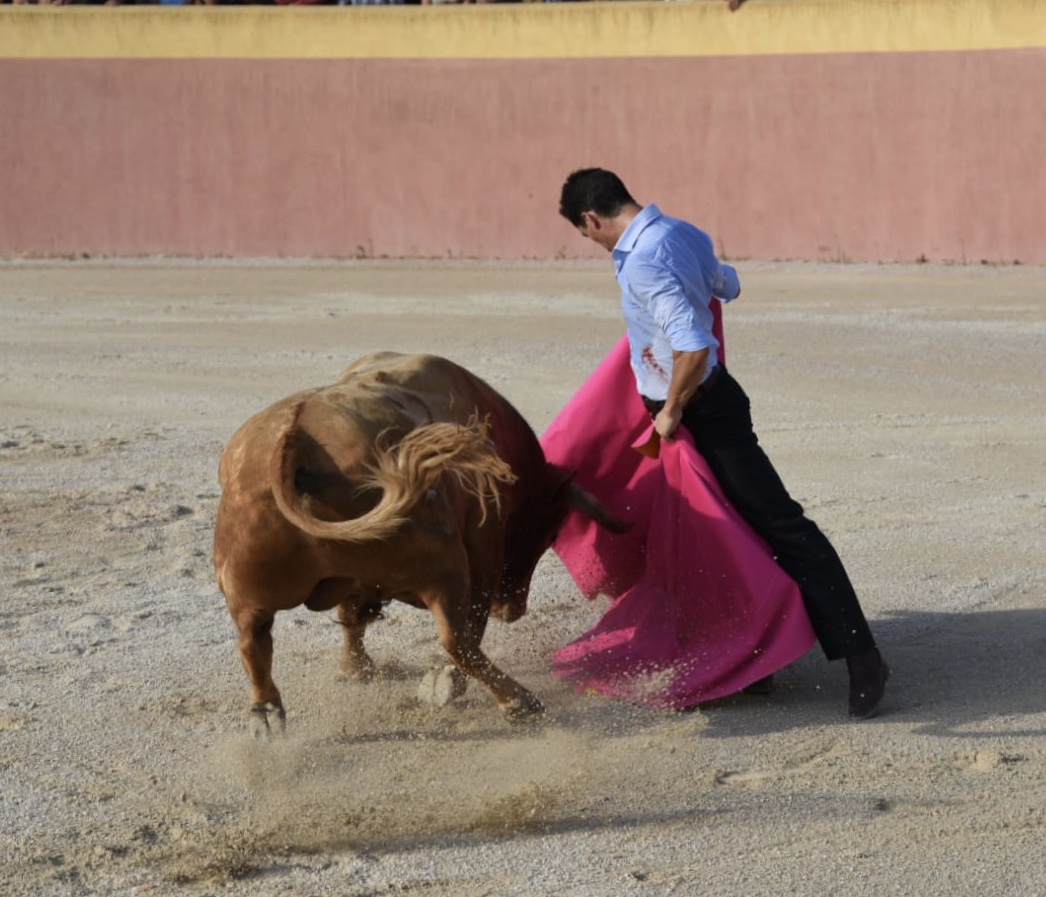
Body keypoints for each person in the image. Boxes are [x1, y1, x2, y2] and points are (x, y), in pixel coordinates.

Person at [557, 167, 890, 719]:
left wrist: (668, 416)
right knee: (719, 535)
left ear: (591, 217)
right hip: (698, 403)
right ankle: (757, 655)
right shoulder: (685, 233)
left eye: (586, 233)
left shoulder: (642, 261)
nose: (592, 243)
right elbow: (726, 285)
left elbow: (692, 348)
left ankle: (863, 655)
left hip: (699, 411)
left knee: (778, 524)